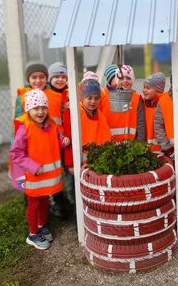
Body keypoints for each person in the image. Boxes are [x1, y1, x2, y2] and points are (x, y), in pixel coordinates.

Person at [9, 89, 69, 250]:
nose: (40, 111)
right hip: (34, 175)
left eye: (43, 107)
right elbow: (16, 153)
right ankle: (33, 234)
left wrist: (63, 140)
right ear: (28, 109)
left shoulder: (51, 125)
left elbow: (56, 138)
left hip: (48, 176)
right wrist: (33, 166)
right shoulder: (24, 128)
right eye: (36, 108)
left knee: (44, 201)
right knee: (34, 204)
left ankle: (41, 226)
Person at [63, 79, 111, 172]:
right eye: (89, 98)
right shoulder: (71, 112)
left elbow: (107, 139)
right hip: (79, 166)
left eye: (96, 98)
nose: (93, 101)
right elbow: (68, 140)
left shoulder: (101, 116)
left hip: (98, 165)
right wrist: (71, 166)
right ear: (82, 98)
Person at [46, 62, 72, 215]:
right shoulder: (47, 95)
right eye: (56, 77)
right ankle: (58, 202)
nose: (60, 80)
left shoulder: (71, 93)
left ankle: (71, 200)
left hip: (68, 141)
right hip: (53, 142)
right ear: (50, 78)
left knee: (69, 171)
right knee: (55, 173)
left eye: (63, 76)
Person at [100, 64, 146, 142]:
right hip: (108, 145)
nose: (125, 81)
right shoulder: (103, 96)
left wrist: (139, 145)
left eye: (128, 78)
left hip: (131, 146)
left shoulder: (137, 99)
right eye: (121, 78)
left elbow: (141, 126)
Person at [154, 63, 178, 158]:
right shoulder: (163, 101)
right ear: (172, 81)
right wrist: (167, 147)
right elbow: (158, 125)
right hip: (171, 151)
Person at [142, 72, 166, 152]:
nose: (144, 90)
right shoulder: (144, 104)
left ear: (158, 90)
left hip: (162, 149)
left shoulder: (164, 104)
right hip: (149, 149)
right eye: (144, 87)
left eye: (148, 88)